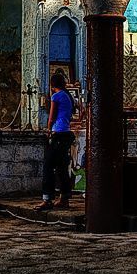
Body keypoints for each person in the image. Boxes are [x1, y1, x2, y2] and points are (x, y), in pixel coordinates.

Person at [37, 70, 75, 211]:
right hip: (66, 133)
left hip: (57, 133)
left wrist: (48, 130)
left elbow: (52, 116)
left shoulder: (56, 96)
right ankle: (64, 198)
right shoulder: (68, 96)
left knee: (48, 166)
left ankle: (47, 199)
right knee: (61, 167)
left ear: (52, 84)